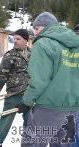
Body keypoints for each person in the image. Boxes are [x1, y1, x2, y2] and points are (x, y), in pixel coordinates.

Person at [16, 12, 79, 147]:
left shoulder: (43, 43)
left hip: (48, 108)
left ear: (44, 27)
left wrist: (26, 102)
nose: (35, 33)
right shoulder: (76, 44)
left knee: (33, 143)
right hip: (72, 108)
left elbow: (38, 81)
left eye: (36, 29)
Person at [0, 29, 30, 147]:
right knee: (6, 120)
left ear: (26, 41)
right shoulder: (9, 55)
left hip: (28, 94)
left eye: (18, 39)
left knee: (29, 120)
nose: (15, 41)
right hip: (13, 94)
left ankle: (27, 143)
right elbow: (2, 75)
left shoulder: (33, 54)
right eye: (14, 39)